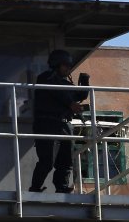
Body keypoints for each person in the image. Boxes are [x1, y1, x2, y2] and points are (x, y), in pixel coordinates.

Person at [29, 49, 88, 193]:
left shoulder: (64, 83)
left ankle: (61, 187)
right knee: (47, 161)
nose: (68, 68)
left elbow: (78, 94)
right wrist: (70, 103)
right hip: (46, 124)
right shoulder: (45, 78)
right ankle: (35, 188)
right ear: (57, 64)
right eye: (65, 65)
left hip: (64, 124)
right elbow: (58, 91)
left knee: (66, 161)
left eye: (69, 66)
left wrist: (85, 81)